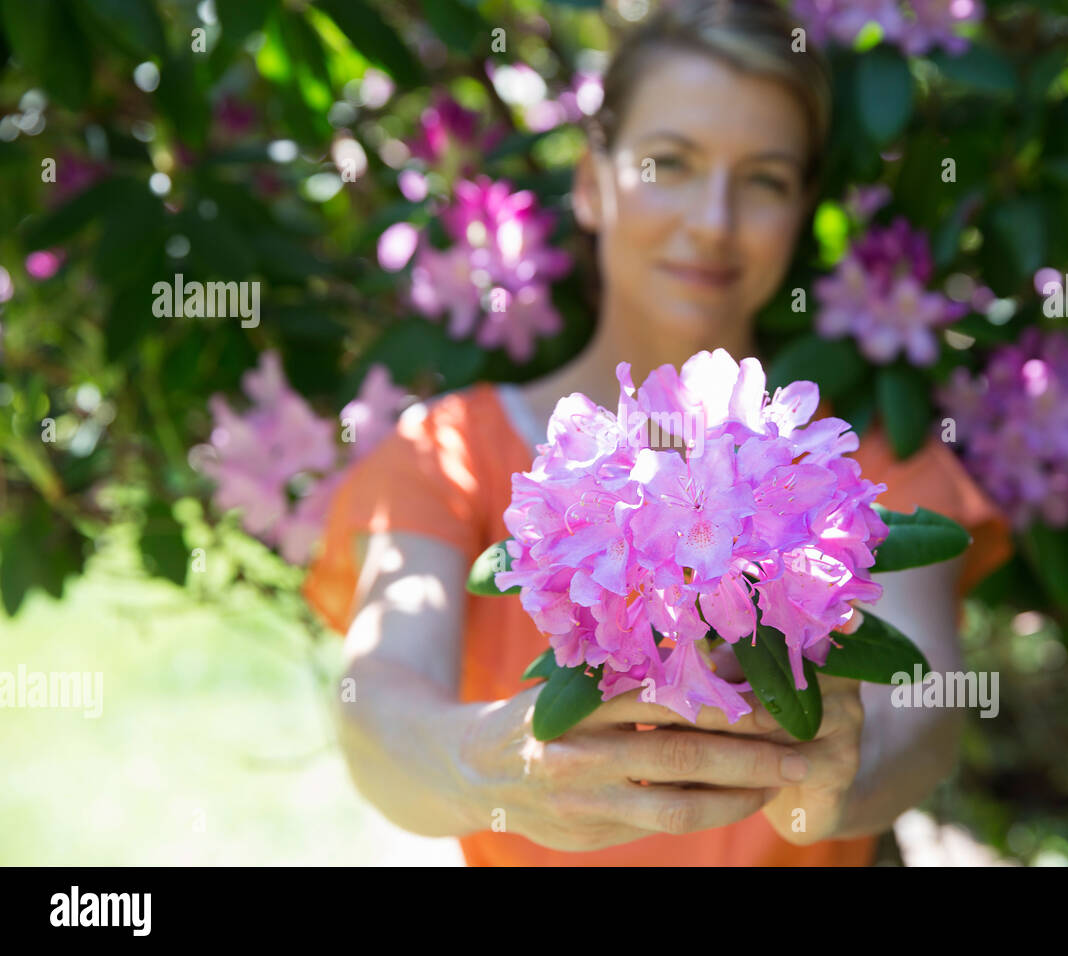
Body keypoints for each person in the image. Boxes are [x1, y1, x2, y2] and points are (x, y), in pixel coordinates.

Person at [303, 0, 1012, 865]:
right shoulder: (446, 456)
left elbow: (927, 712)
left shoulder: (861, 459)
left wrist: (843, 783)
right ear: (593, 183)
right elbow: (376, 700)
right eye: (668, 162)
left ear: (800, 213)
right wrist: (483, 769)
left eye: (764, 179)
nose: (713, 220)